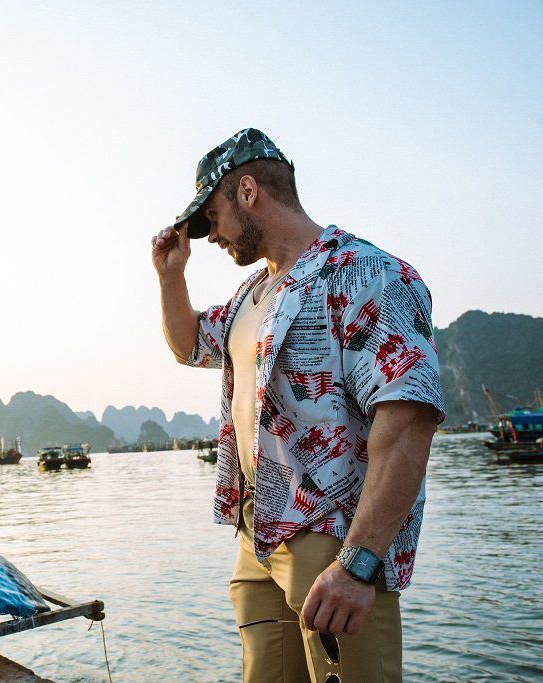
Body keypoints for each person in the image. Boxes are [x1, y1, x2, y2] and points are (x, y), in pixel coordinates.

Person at [151, 129, 444, 682]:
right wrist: (170, 276)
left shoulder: (365, 274)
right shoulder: (250, 297)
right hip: (255, 537)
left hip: (330, 539)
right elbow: (189, 344)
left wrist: (357, 565)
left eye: (211, 217)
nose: (210, 236)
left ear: (247, 191)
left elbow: (408, 423)